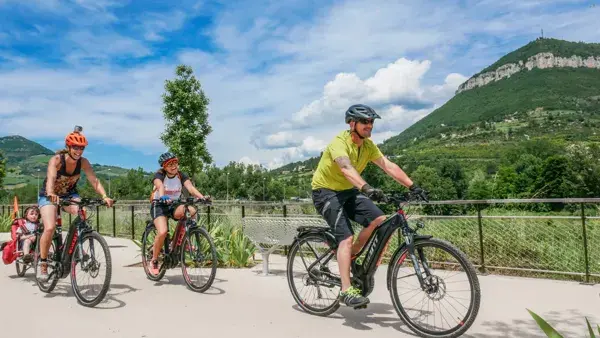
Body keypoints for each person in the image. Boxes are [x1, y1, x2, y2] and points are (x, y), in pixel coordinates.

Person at [311, 104, 427, 308]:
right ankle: (345, 290)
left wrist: (413, 186)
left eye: (371, 122)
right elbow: (346, 168)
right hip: (325, 191)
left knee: (379, 219)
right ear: (352, 123)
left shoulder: (368, 146)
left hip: (348, 190)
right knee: (346, 238)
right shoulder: (339, 143)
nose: (369, 125)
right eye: (365, 121)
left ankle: (351, 257)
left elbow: (388, 165)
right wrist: (367, 188)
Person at [37, 126, 114, 280]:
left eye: (81, 148)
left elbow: (94, 180)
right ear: (68, 147)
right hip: (49, 195)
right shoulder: (57, 160)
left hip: (69, 195)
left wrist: (105, 196)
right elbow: (51, 178)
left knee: (82, 212)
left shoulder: (83, 162)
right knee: (50, 227)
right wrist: (51, 193)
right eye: (75, 147)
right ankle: (43, 263)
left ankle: (76, 243)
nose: (79, 151)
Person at [147, 151, 210, 275]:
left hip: (173, 204)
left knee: (191, 210)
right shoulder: (159, 174)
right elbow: (160, 186)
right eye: (170, 164)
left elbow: (190, 188)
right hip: (159, 204)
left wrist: (202, 197)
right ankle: (154, 260)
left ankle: (183, 239)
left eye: (175, 163)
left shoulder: (181, 175)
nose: (174, 166)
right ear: (164, 167)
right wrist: (163, 196)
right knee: (163, 231)